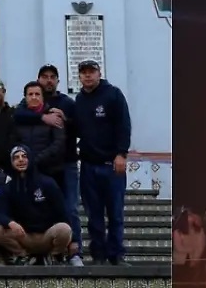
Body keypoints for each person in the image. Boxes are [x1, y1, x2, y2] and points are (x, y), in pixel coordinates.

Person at [15, 63, 82, 265]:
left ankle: (74, 251)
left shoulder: (66, 102)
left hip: (65, 165)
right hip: (38, 169)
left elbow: (77, 126)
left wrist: (65, 119)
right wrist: (43, 116)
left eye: (53, 76)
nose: (49, 80)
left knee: (69, 208)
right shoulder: (26, 104)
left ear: (58, 80)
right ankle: (43, 252)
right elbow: (17, 115)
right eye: (44, 76)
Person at [74, 59, 131, 266]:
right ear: (79, 76)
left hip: (112, 165)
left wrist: (121, 154)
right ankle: (98, 256)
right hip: (89, 166)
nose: (88, 76)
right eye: (84, 72)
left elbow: (123, 125)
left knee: (115, 214)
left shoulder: (113, 94)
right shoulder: (79, 100)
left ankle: (116, 255)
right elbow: (76, 128)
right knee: (93, 215)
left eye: (92, 72)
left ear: (99, 73)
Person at [0, 145, 72, 265]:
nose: (20, 160)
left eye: (24, 156)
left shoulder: (47, 182)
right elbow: (0, 213)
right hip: (24, 236)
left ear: (30, 158)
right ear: (12, 162)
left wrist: (74, 241)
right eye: (16, 157)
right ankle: (24, 256)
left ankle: (53, 256)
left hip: (47, 235)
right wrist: (11, 223)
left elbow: (63, 213)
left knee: (64, 229)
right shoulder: (9, 187)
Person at [15, 82, 65, 177]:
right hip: (22, 171)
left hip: (50, 171)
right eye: (30, 94)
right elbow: (14, 140)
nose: (34, 97)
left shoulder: (54, 116)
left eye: (37, 94)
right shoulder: (18, 117)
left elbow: (58, 143)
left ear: (43, 97)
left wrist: (36, 159)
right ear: (25, 97)